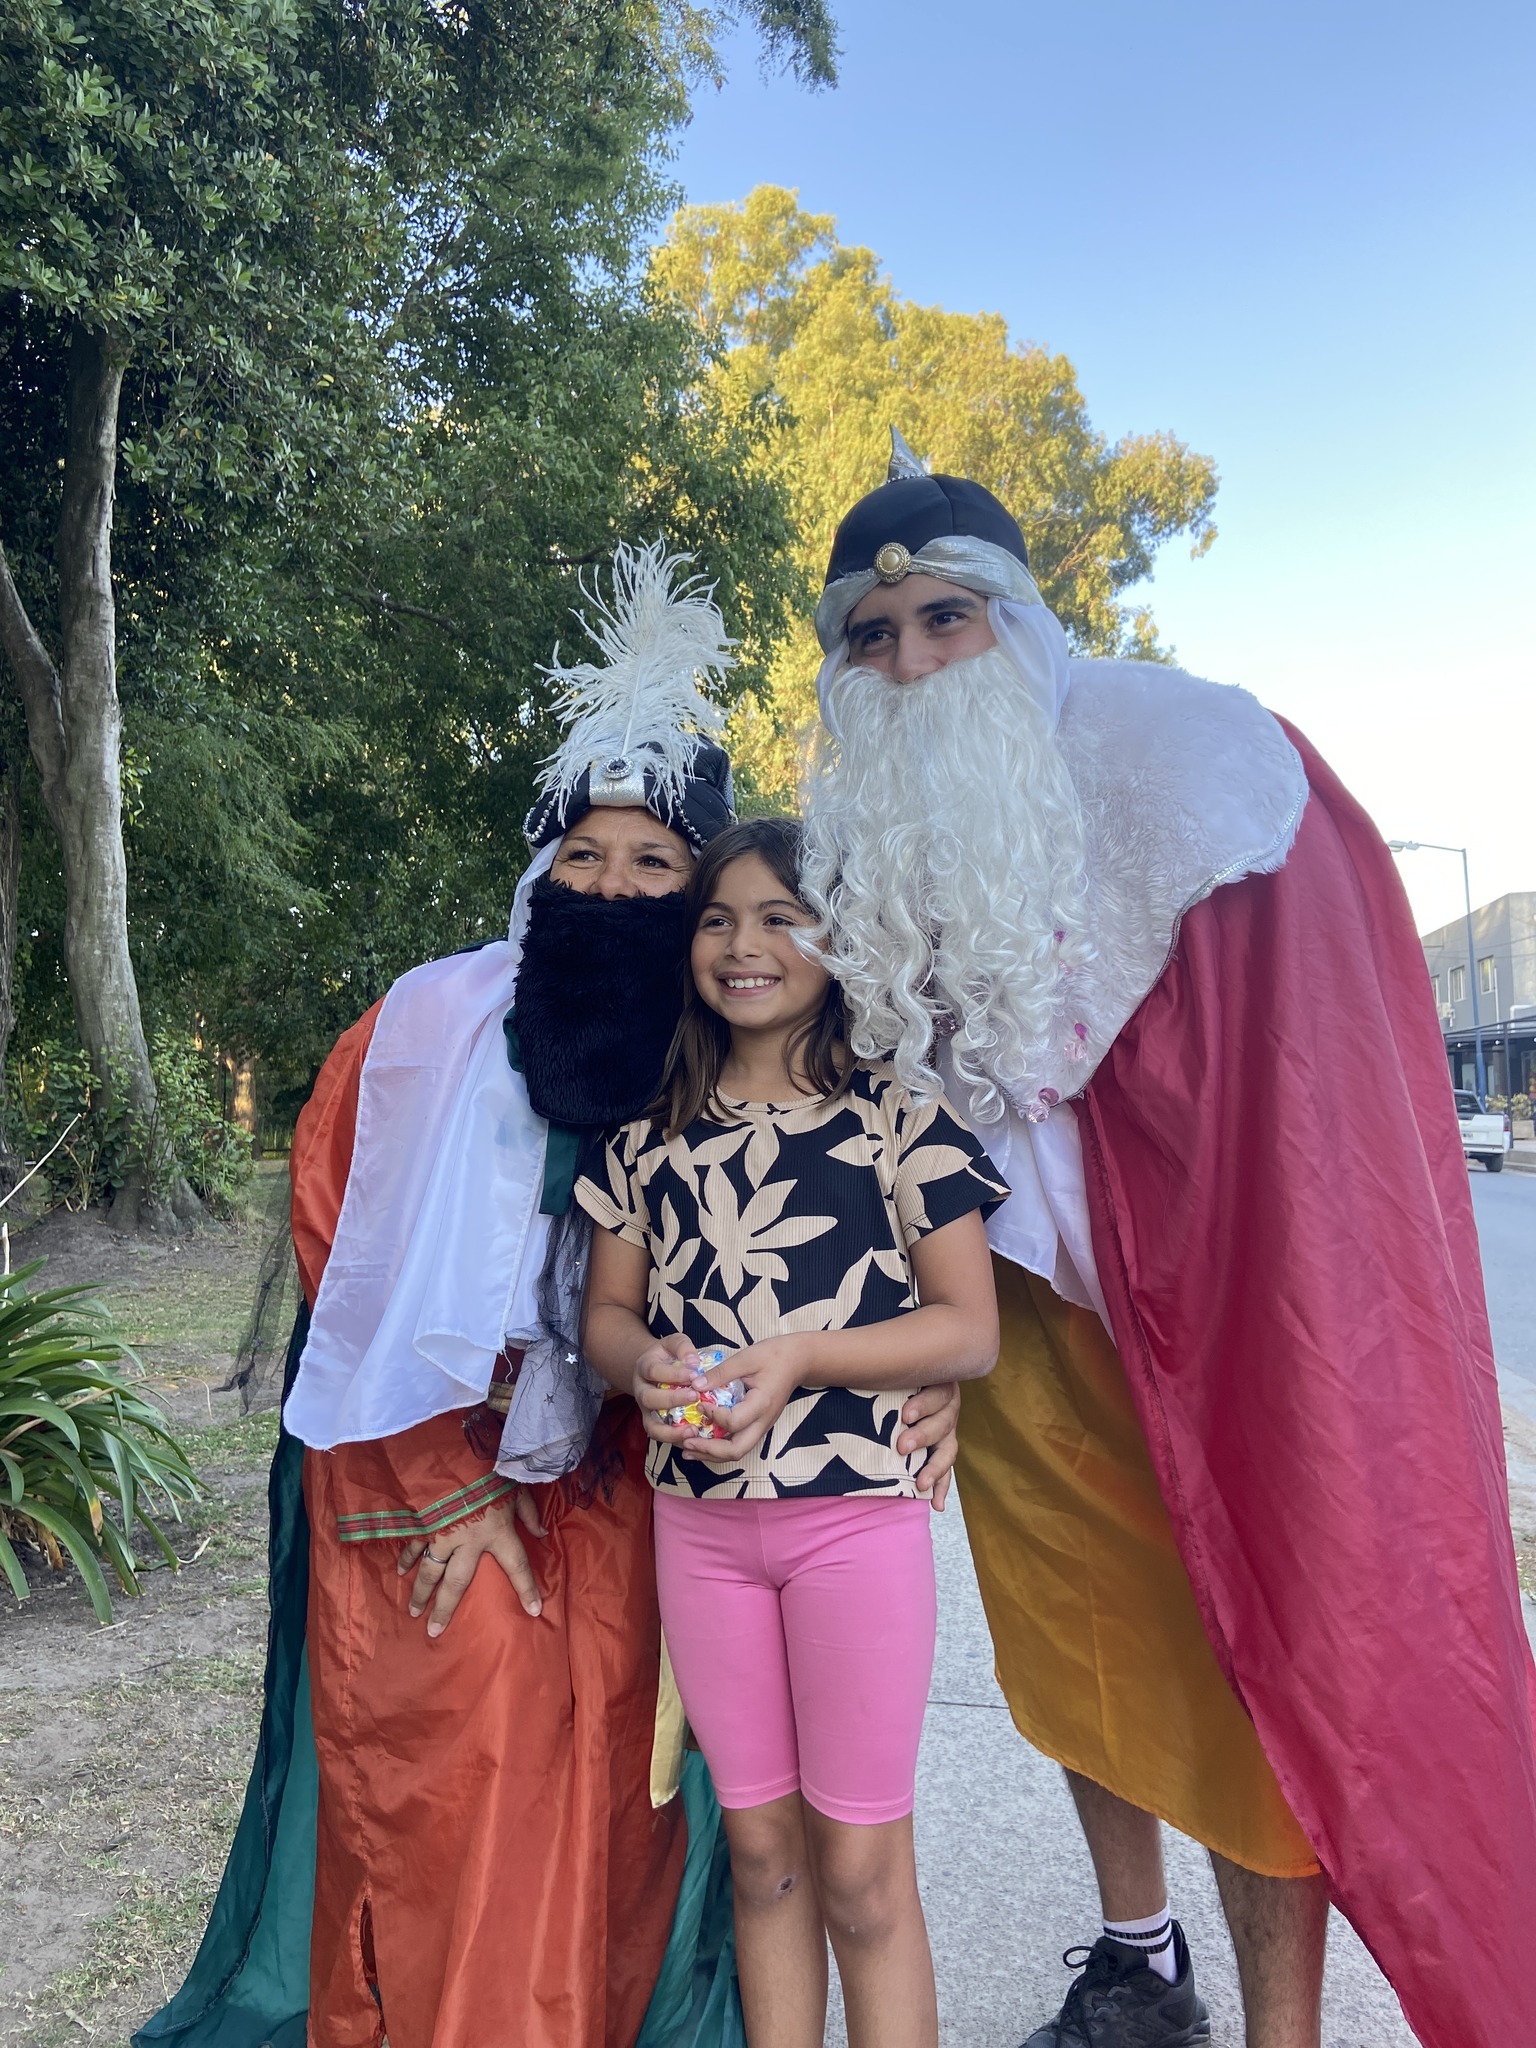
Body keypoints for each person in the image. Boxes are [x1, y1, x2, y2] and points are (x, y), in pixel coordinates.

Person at [136, 545, 963, 2048]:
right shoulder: (417, 1037)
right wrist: (456, 1491)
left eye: (656, 865)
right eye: (584, 855)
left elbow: (889, 1250)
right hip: (444, 1488)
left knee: (651, 1815)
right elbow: (345, 1277)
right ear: (539, 867)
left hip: (663, 1496)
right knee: (481, 1781)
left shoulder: (704, 1061)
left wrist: (930, 1376)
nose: (615, 887)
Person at [798, 435, 1536, 2048]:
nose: (909, 662)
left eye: (943, 618)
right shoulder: (856, 835)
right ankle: (1141, 1964)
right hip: (1015, 1330)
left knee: (1264, 1667)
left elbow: (1308, 1096)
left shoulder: (1198, 765)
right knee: (1080, 1654)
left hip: (1229, 1319)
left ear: (1017, 618)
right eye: (872, 634)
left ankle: (1284, 2028)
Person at [576, 815, 1009, 2048]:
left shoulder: (899, 1116)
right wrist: (641, 1364)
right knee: (762, 1852)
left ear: (843, 939)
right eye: (716, 919)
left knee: (861, 1872)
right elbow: (605, 1314)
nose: (743, 944)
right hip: (701, 1534)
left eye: (782, 917)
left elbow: (969, 1327)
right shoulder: (646, 1131)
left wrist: (805, 1354)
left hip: (854, 1528)